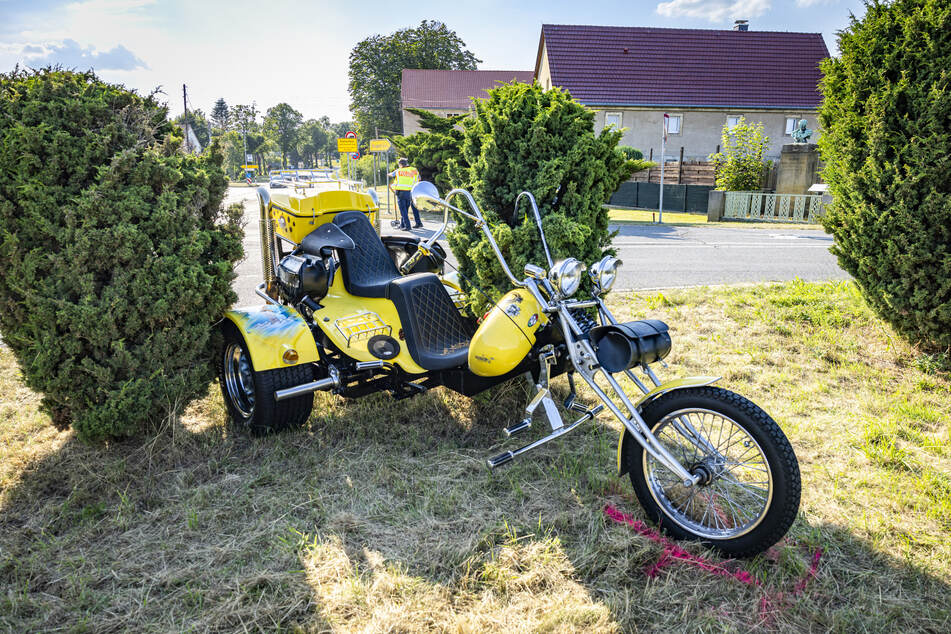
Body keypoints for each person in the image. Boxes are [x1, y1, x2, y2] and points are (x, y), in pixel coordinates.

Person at [388, 158, 422, 230]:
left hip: (402, 193)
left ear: (400, 164)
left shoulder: (398, 171)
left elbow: (391, 175)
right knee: (406, 209)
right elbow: (419, 178)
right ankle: (403, 224)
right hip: (412, 192)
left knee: (403, 210)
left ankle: (407, 226)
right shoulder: (414, 170)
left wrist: (388, 174)